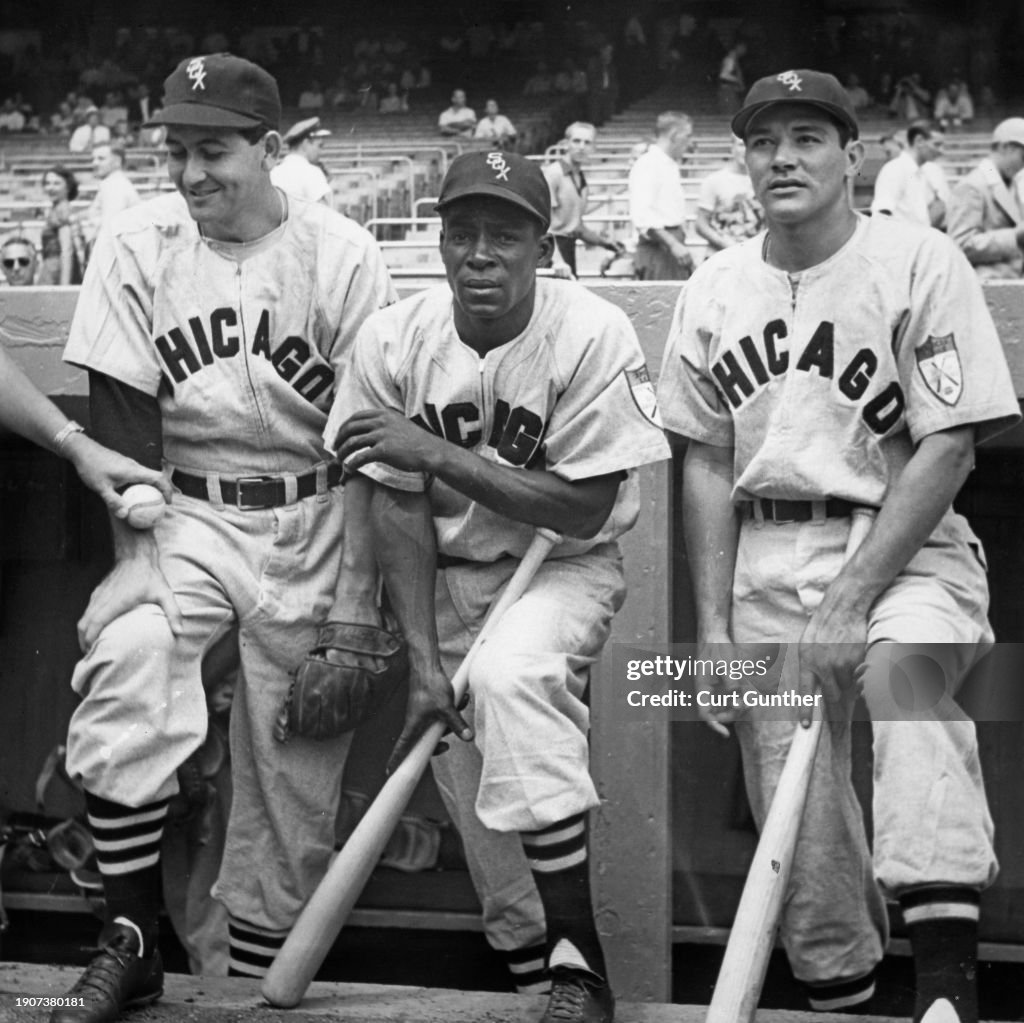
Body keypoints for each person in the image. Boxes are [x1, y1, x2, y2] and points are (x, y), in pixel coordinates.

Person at [658, 68, 1018, 1023]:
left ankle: (946, 994)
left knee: (914, 688)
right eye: (764, 140)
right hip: (769, 554)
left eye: (807, 138)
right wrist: (712, 630)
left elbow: (950, 447)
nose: (783, 158)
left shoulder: (919, 260)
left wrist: (853, 600)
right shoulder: (713, 285)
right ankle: (841, 995)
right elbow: (706, 461)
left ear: (852, 156)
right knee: (801, 819)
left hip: (905, 546)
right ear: (744, 160)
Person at [49, 53, 394, 1023]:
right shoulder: (138, 243)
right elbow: (122, 422)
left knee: (294, 788)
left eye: (215, 152)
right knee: (126, 655)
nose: (191, 173)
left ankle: (248, 996)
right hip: (185, 513)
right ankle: (129, 941)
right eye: (178, 152)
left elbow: (370, 445)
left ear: (271, 149)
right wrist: (135, 563)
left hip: (318, 515)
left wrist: (356, 606)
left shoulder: (342, 255)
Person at [325, 149, 671, 1023]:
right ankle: (548, 992)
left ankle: (581, 964)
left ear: (543, 247)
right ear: (439, 243)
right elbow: (397, 504)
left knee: (513, 674)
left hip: (561, 568)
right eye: (462, 233)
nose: (480, 254)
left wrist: (437, 452)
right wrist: (423, 666)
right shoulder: (393, 338)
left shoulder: (591, 330)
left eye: (505, 236)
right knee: (492, 851)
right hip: (443, 586)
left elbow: (588, 507)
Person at [542, 121, 624, 278]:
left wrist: (605, 243)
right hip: (551, 252)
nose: (581, 147)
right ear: (566, 144)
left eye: (587, 143)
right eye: (576, 141)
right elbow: (543, 225)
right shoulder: (553, 174)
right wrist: (557, 261)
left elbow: (576, 227)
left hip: (567, 249)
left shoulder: (580, 178)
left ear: (593, 148)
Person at [947, 117, 1024, 279]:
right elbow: (960, 245)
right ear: (1005, 147)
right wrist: (1015, 237)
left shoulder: (1009, 182)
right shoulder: (972, 186)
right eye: (1023, 156)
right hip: (985, 283)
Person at [628, 111, 695, 279]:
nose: (690, 143)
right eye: (687, 136)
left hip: (671, 245)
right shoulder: (648, 164)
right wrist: (673, 244)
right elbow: (643, 216)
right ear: (674, 135)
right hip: (659, 248)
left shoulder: (668, 165)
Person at [871, 119, 946, 227]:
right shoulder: (895, 169)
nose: (941, 151)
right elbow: (881, 216)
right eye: (937, 144)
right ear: (919, 141)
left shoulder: (923, 172)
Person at [694, 135, 762, 252]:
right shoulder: (714, 181)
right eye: (741, 145)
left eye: (751, 145)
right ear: (732, 148)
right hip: (720, 253)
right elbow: (701, 224)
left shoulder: (763, 180)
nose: (745, 150)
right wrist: (725, 245)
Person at [82, 143, 141, 251]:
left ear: (117, 161)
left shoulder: (115, 185)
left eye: (101, 159)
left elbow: (110, 229)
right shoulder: (112, 183)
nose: (94, 163)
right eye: (93, 159)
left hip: (115, 250)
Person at [38, 165, 84, 286]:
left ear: (68, 187)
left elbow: (66, 250)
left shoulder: (63, 209)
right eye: (47, 183)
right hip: (51, 266)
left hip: (56, 270)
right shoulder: (56, 208)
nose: (50, 188)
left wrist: (64, 286)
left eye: (56, 183)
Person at [270, 116, 332, 205]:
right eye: (319, 146)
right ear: (305, 143)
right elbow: (325, 212)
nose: (321, 151)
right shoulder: (312, 172)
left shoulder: (273, 172)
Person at [717, 41, 747, 114]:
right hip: (727, 91)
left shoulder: (734, 59)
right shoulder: (730, 59)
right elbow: (723, 75)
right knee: (730, 113)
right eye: (743, 48)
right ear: (738, 47)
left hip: (730, 91)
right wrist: (737, 80)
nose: (745, 51)